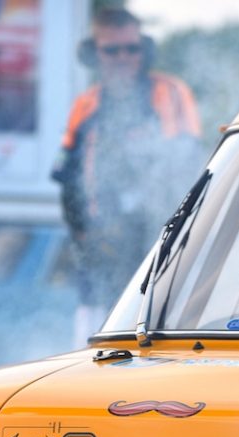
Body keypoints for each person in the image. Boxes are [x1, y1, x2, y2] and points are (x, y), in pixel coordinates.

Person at [53, 7, 203, 344]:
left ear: (144, 51)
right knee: (92, 340)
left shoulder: (169, 93)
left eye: (132, 48)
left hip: (157, 242)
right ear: (96, 54)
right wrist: (82, 236)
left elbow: (187, 163)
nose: (123, 57)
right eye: (112, 50)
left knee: (155, 340)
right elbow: (66, 177)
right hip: (100, 243)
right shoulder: (85, 104)